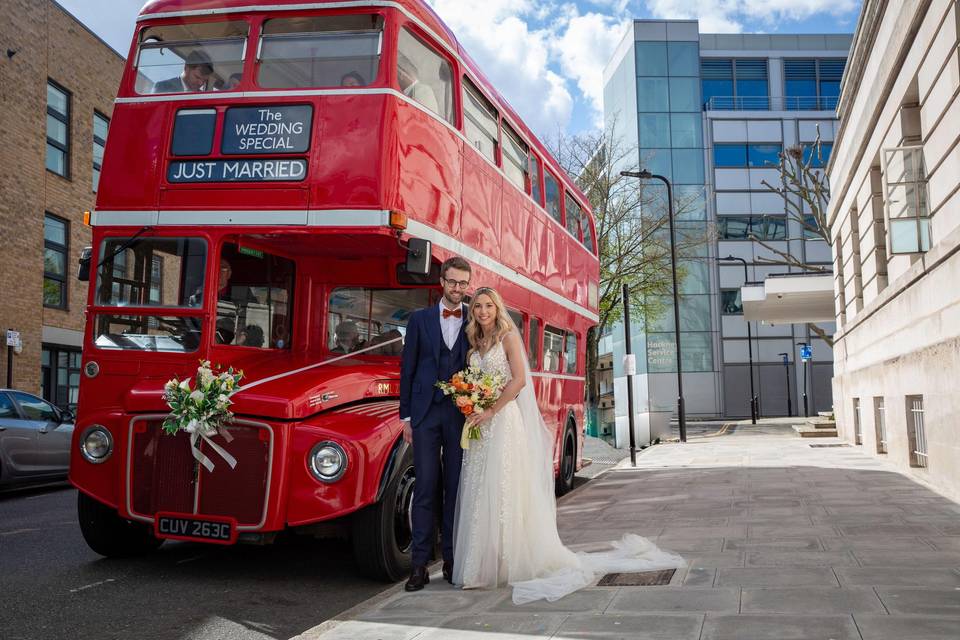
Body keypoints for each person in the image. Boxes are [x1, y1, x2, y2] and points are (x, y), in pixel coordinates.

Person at [452, 287, 685, 604]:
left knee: (505, 489)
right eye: (477, 306)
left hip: (504, 422)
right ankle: (479, 566)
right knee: (482, 491)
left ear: (497, 308)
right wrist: (473, 403)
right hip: (482, 425)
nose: (482, 311)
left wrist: (491, 408)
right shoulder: (474, 343)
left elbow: (519, 380)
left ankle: (508, 562)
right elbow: (474, 381)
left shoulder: (508, 337)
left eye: (488, 306)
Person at [399, 256, 471, 591]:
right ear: (441, 281)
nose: (458, 289)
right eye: (453, 282)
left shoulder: (475, 318)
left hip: (460, 414)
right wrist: (406, 417)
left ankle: (453, 561)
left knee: (456, 489)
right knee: (426, 488)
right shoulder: (419, 320)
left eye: (463, 284)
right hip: (425, 414)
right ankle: (419, 565)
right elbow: (407, 369)